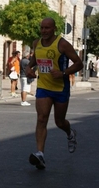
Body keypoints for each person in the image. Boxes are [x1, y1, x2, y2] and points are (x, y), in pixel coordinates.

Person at [25, 17, 83, 170]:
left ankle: (70, 133)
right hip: (43, 86)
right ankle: (40, 154)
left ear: (54, 29)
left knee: (59, 121)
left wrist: (63, 73)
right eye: (42, 28)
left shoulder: (62, 44)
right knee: (42, 118)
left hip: (60, 88)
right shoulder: (36, 43)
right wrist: (29, 69)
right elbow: (35, 60)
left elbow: (79, 63)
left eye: (47, 28)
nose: (44, 31)